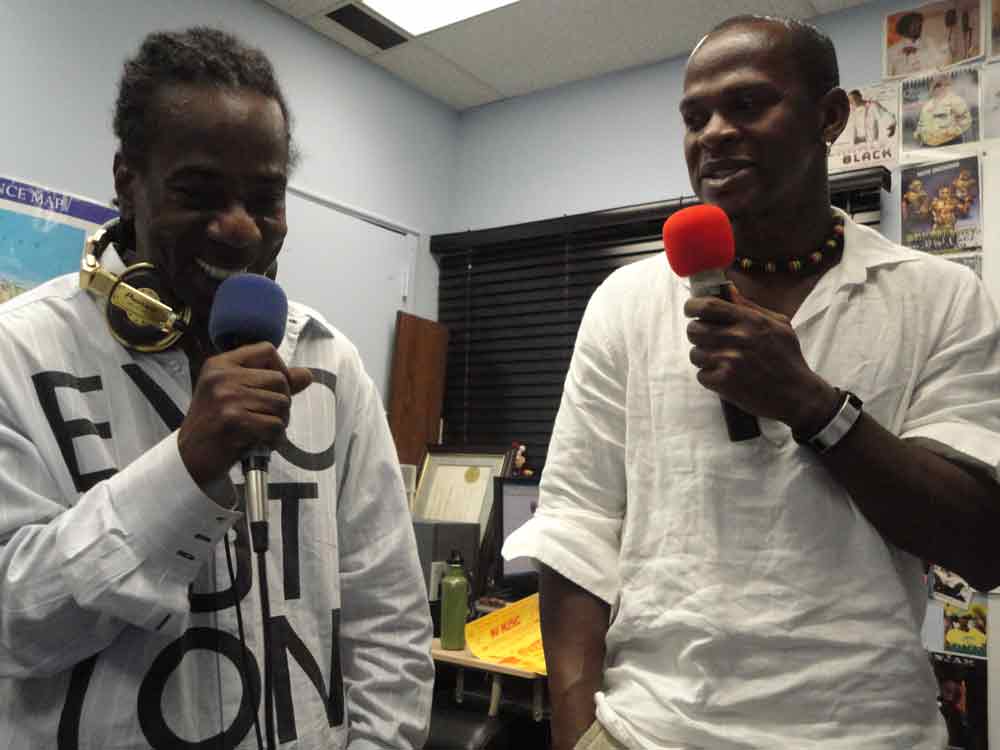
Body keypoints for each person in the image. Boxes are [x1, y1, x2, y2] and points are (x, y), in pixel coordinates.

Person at [504, 14, 1000, 750]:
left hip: (869, 732)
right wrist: (576, 735)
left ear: (830, 117)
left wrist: (813, 406)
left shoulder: (939, 297)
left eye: (746, 104)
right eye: (694, 117)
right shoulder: (626, 302)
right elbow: (577, 529)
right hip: (648, 730)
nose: (713, 134)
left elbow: (982, 543)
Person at [0, 27, 433, 749]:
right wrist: (184, 469)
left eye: (265, 199)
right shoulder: (18, 354)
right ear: (127, 181)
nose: (238, 228)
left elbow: (389, 623)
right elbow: (14, 629)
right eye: (198, 193)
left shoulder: (329, 363)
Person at [914, 75, 973, 148]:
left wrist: (951, 131)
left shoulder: (956, 101)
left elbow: (966, 120)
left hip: (949, 143)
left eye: (945, 85)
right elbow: (921, 122)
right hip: (927, 145)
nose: (942, 87)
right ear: (932, 88)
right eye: (937, 85)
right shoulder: (927, 105)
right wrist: (918, 133)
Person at [886, 12, 949, 76]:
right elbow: (888, 74)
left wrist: (918, 52)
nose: (918, 26)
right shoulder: (892, 50)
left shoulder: (929, 42)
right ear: (905, 27)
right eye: (914, 24)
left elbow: (941, 62)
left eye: (919, 24)